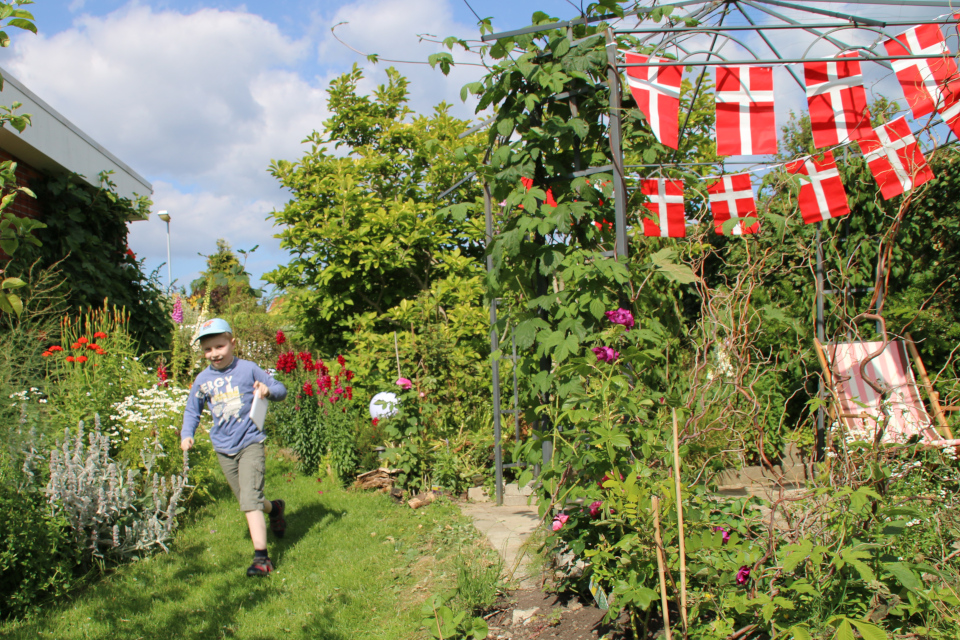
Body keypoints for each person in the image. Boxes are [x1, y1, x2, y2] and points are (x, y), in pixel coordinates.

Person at [180, 318, 288, 577]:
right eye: (208, 349)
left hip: (250, 442)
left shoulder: (248, 369)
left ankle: (262, 559)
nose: (214, 354)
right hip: (223, 447)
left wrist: (266, 390)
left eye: (219, 346)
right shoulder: (202, 380)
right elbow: (192, 410)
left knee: (250, 501)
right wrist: (187, 434)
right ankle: (275, 509)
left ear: (232, 343)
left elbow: (280, 389)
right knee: (248, 499)